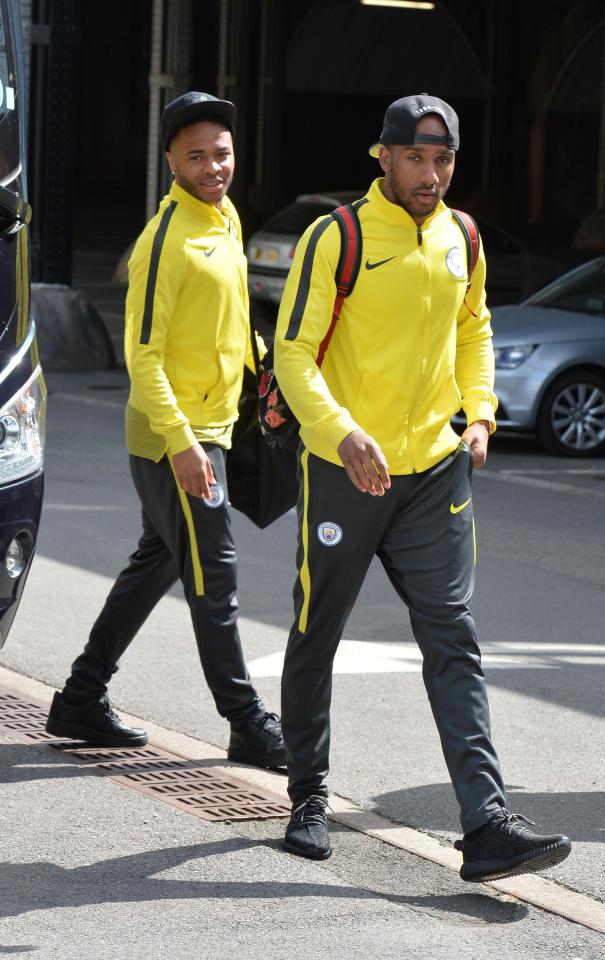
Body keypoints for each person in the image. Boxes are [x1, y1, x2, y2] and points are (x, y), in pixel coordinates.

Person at [273, 94, 571, 880]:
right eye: (415, 158)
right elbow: (292, 354)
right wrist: (341, 431)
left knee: (453, 636)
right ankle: (307, 795)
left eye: (443, 161)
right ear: (384, 156)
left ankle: (485, 822)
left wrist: (480, 414)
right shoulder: (334, 238)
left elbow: (476, 329)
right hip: (346, 469)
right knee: (317, 631)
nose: (430, 175)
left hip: (434, 470)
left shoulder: (462, 237)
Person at [45, 91, 284, 770]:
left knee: (157, 563)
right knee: (217, 575)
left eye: (223, 153)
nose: (214, 166)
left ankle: (81, 698)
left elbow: (226, 322)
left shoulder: (226, 218)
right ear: (172, 161)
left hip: (214, 425)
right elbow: (142, 355)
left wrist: (261, 379)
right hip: (174, 438)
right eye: (198, 156)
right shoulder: (164, 241)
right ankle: (246, 721)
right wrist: (181, 442)